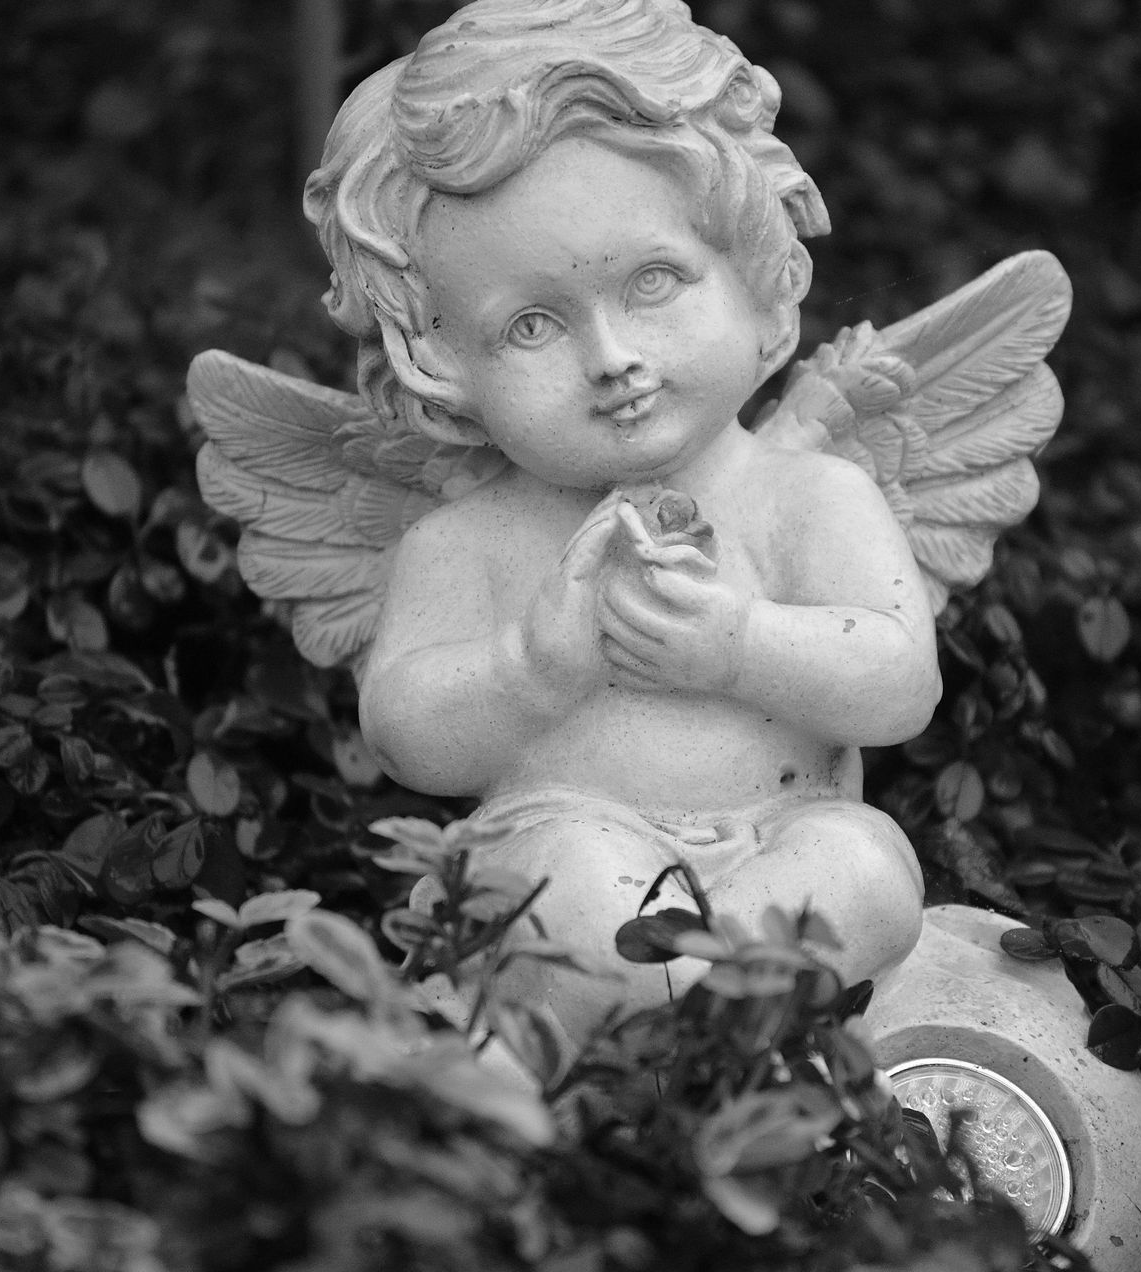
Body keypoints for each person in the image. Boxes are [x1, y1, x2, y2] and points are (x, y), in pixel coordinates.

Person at [303, 0, 939, 1041]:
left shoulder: (808, 497)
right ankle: (703, 1046)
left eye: (653, 282)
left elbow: (898, 681)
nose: (611, 359)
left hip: (784, 838)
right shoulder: (464, 541)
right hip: (570, 845)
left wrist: (741, 646)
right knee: (567, 891)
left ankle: (667, 1035)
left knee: (866, 868)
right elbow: (408, 737)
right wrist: (529, 671)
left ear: (757, 279)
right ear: (443, 363)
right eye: (533, 324)